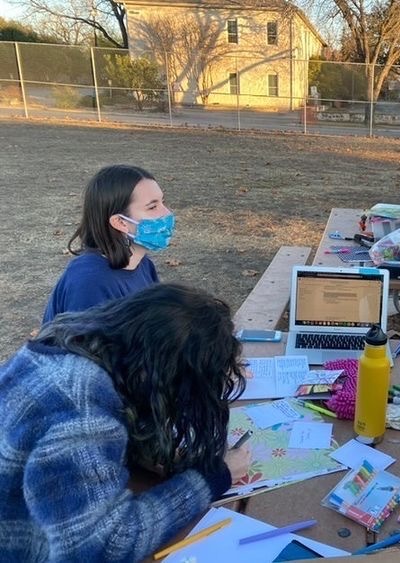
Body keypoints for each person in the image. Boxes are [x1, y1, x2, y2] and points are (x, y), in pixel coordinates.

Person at [1, 284, 250, 562]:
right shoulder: (82, 410)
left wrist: (144, 453)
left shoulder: (69, 343)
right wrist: (211, 478)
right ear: (166, 374)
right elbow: (103, 546)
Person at [42, 164, 174, 323]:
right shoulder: (89, 282)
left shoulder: (143, 265)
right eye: (152, 207)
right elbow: (85, 346)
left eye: (162, 202)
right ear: (120, 222)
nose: (167, 213)